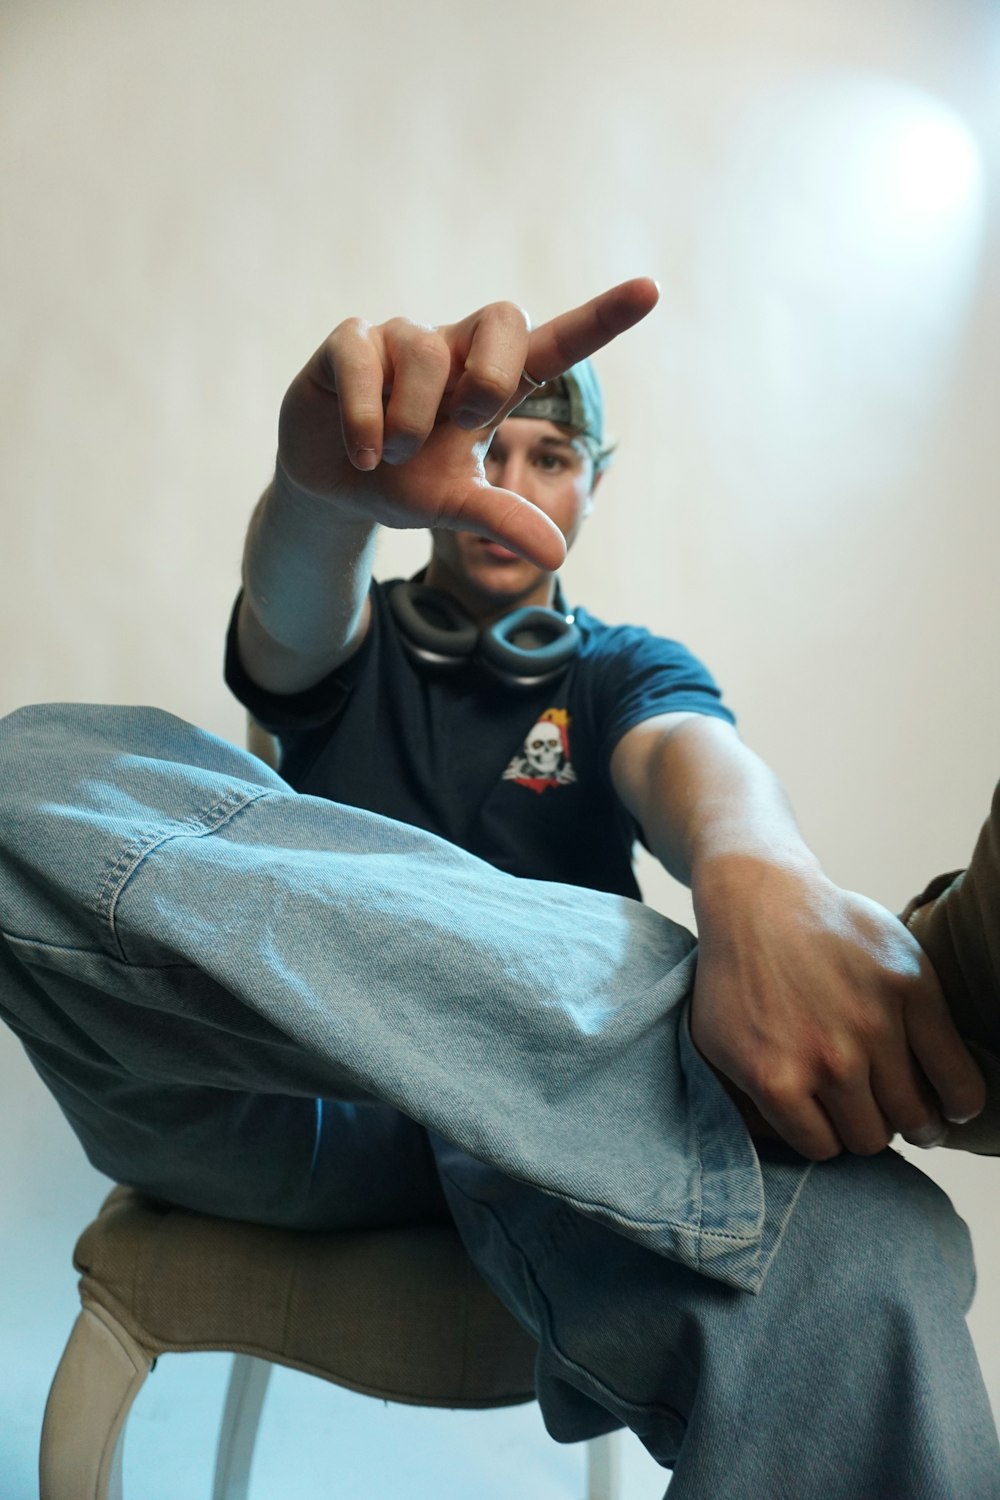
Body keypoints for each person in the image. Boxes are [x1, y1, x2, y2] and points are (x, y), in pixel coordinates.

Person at [0, 279, 998, 1497]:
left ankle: (629, 1038)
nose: (512, 483)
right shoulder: (350, 648)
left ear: (593, 484)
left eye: (552, 454)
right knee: (33, 778)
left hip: (562, 1143)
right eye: (488, 448)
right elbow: (290, 614)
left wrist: (765, 878)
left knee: (869, 1255)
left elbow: (698, 765)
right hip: (287, 1108)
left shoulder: (619, 671)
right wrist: (316, 501)